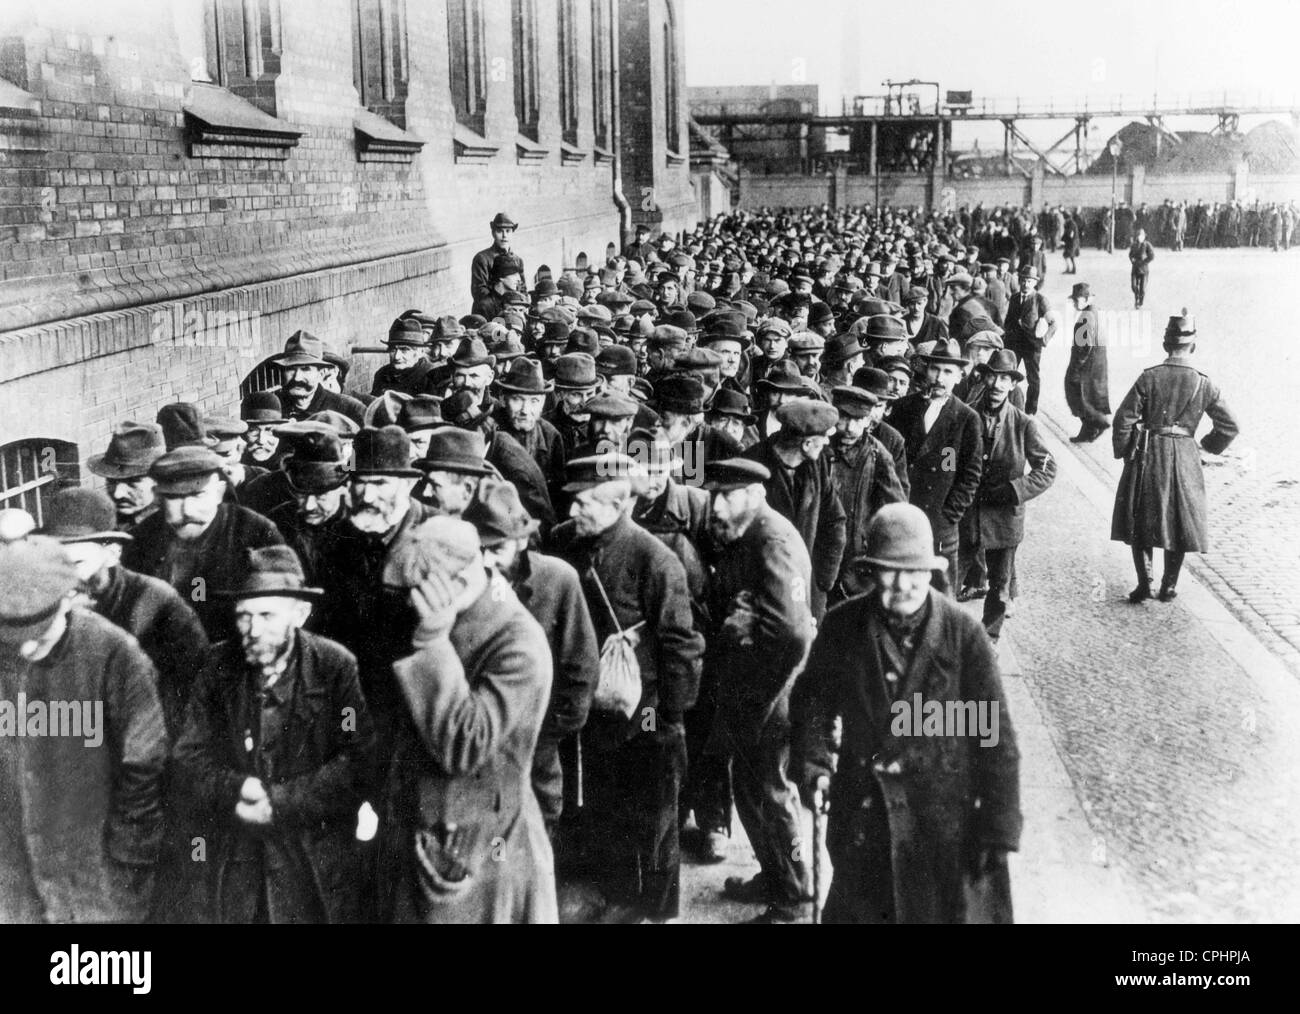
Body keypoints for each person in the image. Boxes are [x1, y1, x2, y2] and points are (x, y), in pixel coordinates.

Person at [789, 503, 1022, 924]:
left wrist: (999, 826)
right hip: (864, 816)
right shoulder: (843, 627)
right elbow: (812, 702)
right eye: (891, 571)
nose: (904, 584)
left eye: (916, 571)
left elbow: (995, 738)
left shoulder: (963, 634)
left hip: (944, 821)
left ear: (931, 572)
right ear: (871, 573)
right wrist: (815, 765)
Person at [172, 546, 376, 923]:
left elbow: (359, 761)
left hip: (313, 862)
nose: (252, 630)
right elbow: (188, 757)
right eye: (243, 616)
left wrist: (280, 802)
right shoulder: (217, 667)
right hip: (236, 862)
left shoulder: (335, 667)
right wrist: (235, 788)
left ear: (300, 614)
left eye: (267, 615)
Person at [378, 515, 557, 924]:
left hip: (481, 849)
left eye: (414, 593)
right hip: (434, 834)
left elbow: (464, 746)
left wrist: (432, 645)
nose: (408, 603)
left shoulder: (518, 644)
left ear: (455, 584)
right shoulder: (456, 612)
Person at [551, 452, 704, 924]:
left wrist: (672, 719)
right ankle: (606, 892)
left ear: (619, 504)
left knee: (651, 813)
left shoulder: (655, 560)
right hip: (585, 701)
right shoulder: (564, 544)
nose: (573, 513)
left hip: (644, 708)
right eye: (572, 503)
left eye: (585, 504)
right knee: (599, 803)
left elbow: (682, 645)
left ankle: (650, 908)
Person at [0, 530, 168, 923]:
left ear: (65, 603)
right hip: (12, 865)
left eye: (37, 636)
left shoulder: (114, 652)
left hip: (95, 865)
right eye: (11, 639)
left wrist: (128, 852)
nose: (25, 650)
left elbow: (145, 759)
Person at [703, 459, 817, 923]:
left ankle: (791, 896)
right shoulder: (749, 533)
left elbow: (792, 635)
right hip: (759, 685)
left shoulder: (771, 539)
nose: (715, 504)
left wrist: (762, 699)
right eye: (713, 493)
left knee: (770, 790)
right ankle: (777, 876)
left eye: (725, 495)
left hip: (773, 690)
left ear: (753, 494)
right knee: (753, 787)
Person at [464, 479, 599, 846]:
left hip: (537, 751)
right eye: (480, 549)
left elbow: (581, 668)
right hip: (478, 749)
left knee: (537, 837)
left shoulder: (558, 580)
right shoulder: (464, 584)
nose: (487, 561)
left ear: (522, 540)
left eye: (497, 548)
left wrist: (549, 734)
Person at [1111, 312, 1239, 602]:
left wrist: (1125, 451)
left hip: (1149, 453)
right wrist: (1206, 445)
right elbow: (1231, 426)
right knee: (1179, 520)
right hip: (1185, 455)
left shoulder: (1149, 377)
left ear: (1165, 343)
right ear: (1193, 346)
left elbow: (1123, 419)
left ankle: (1145, 583)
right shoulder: (1203, 383)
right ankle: (1169, 585)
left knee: (1141, 516)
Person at [123, 445, 285, 644]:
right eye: (174, 498)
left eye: (198, 495)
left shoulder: (256, 533)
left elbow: (279, 610)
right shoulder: (141, 540)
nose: (188, 510)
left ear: (219, 492)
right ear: (158, 497)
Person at [959, 351, 1056, 640]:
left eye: (1005, 379)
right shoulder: (964, 414)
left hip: (1004, 518)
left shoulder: (1024, 424)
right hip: (965, 512)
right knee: (948, 580)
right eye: (993, 376)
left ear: (1013, 385)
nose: (998, 384)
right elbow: (948, 453)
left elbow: (1048, 468)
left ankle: (990, 638)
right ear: (983, 377)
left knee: (1000, 586)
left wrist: (1015, 490)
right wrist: (949, 475)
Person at [886, 339, 983, 592]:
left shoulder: (966, 418)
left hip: (939, 522)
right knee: (899, 587)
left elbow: (969, 475)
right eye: (935, 369)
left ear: (960, 377)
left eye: (948, 372)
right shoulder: (903, 408)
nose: (940, 378)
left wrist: (949, 514)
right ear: (925, 371)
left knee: (941, 590)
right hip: (904, 513)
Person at [742, 399, 847, 621]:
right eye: (824, 438)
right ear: (806, 444)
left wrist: (822, 581)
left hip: (806, 586)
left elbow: (835, 520)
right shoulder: (752, 465)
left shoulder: (815, 466)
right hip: (761, 587)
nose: (828, 442)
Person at [273, 331, 366, 426]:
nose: (297, 378)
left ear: (320, 373)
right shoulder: (272, 408)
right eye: (290, 369)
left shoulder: (349, 409)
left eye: (306, 369)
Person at [86, 421, 167, 530]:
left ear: (159, 480)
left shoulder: (167, 528)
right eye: (111, 481)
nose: (117, 494)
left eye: (132, 482)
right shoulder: (103, 522)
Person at [1001, 265, 1059, 416]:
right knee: (1008, 373)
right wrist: (1005, 335)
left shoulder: (1040, 300)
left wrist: (1043, 341)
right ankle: (1005, 405)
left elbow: (1054, 323)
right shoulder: (1014, 298)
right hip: (1014, 343)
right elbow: (1008, 320)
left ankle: (1030, 411)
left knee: (1033, 379)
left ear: (1035, 283)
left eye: (1029, 281)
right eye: (1023, 280)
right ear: (1019, 281)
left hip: (1031, 346)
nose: (1026, 284)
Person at [1064, 283, 1111, 443]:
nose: (1075, 304)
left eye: (1077, 300)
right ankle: (1087, 432)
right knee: (1089, 397)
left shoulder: (1086, 317)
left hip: (1086, 365)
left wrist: (1077, 368)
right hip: (1097, 364)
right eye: (1074, 300)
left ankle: (1100, 422)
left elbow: (1085, 346)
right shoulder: (1095, 311)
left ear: (1085, 299)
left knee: (1078, 396)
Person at [371, 317, 435, 397]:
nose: (397, 357)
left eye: (404, 349)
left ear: (420, 352)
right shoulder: (382, 374)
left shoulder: (432, 377)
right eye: (393, 349)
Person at [471, 212, 523, 305]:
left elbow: (522, 288)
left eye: (508, 231)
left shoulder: (517, 260)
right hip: (489, 311)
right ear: (493, 233)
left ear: (512, 233)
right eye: (499, 231)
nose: (504, 236)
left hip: (513, 309)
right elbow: (479, 291)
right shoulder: (482, 258)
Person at [1128, 227, 1155, 309]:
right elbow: (1130, 254)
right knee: (1134, 286)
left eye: (1142, 235)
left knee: (1142, 289)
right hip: (1135, 269)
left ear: (1144, 236)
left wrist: (1145, 261)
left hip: (1144, 270)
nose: (1140, 237)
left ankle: (1140, 302)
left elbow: (1152, 256)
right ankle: (1136, 300)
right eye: (1139, 235)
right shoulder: (1133, 245)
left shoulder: (1147, 245)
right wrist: (1132, 259)